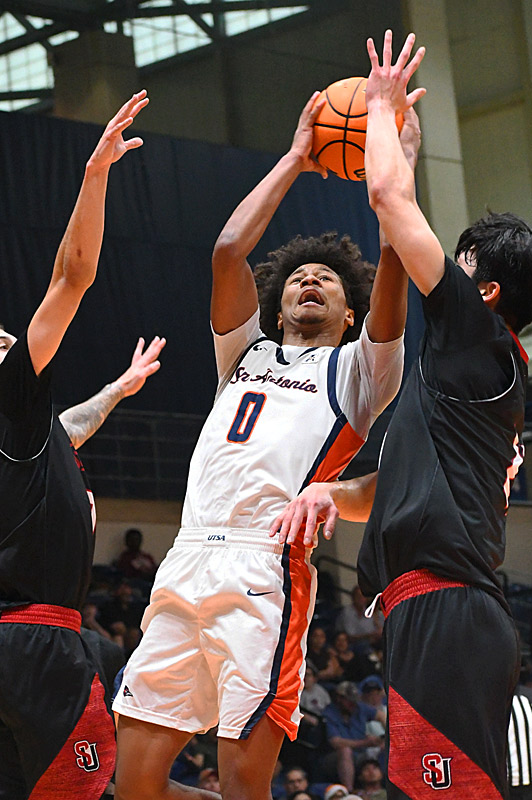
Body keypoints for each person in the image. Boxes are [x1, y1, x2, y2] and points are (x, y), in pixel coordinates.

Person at [272, 30, 532, 800]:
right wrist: (330, 494)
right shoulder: (465, 372)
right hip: (439, 610)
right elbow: (396, 483)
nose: (441, 264)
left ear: (482, 292)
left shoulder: (476, 336)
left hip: (446, 610)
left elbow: (386, 200)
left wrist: (382, 112)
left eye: (461, 262)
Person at [113, 92, 409, 800]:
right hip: (184, 559)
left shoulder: (360, 372)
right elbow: (227, 251)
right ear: (276, 306)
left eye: (330, 281)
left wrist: (400, 163)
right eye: (302, 277)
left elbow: (397, 259)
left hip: (265, 569)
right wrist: (298, 157)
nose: (312, 280)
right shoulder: (242, 354)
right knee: (135, 787)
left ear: (349, 314)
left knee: (246, 785)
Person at [0, 92, 163, 800]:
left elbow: (72, 426)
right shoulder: (12, 400)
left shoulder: (29, 436)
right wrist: (94, 175)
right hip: (39, 645)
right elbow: (72, 278)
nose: (9, 340)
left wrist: (121, 388)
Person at [322, 682, 385, 790]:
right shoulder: (330, 713)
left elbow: (381, 716)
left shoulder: (359, 707)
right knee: (345, 751)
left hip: (362, 753)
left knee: (385, 748)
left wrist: (387, 738)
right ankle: (349, 791)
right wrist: (365, 742)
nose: (353, 704)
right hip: (334, 757)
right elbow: (335, 742)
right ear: (339, 698)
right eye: (349, 701)